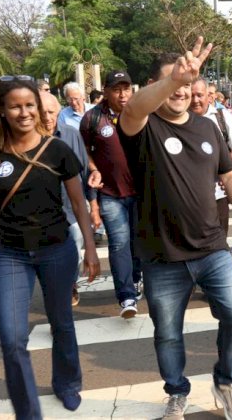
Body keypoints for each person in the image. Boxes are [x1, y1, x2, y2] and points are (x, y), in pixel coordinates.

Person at [118, 40, 232, 420]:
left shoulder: (207, 125)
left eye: (188, 81)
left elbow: (229, 176)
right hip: (161, 256)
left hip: (212, 249)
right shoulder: (142, 128)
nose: (182, 89)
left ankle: (226, 382)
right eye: (172, 82)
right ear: (155, 85)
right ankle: (177, 392)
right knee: (167, 333)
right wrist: (173, 79)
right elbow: (133, 107)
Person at [0, 77, 100, 418]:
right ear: (1, 111)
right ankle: (28, 411)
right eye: (15, 106)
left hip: (57, 250)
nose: (24, 112)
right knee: (11, 340)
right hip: (11, 255)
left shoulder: (58, 150)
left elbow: (78, 202)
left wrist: (91, 248)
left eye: (30, 105)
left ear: (38, 109)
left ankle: (67, 383)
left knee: (62, 323)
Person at [80, 70, 143, 318]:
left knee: (138, 242)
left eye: (126, 89)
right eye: (117, 89)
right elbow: (84, 150)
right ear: (106, 91)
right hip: (110, 193)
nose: (123, 94)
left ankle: (136, 276)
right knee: (119, 243)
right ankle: (126, 296)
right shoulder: (92, 118)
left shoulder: (139, 113)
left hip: (139, 193)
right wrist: (94, 169)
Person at [40, 92, 100, 307]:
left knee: (74, 248)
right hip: (40, 215)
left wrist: (93, 205)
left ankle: (70, 284)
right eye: (42, 112)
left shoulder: (71, 135)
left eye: (51, 112)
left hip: (70, 209)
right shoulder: (26, 139)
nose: (47, 117)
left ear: (59, 112)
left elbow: (84, 173)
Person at [190, 76, 232, 234]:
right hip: (187, 198)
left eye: (200, 95)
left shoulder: (221, 116)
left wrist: (223, 168)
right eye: (191, 95)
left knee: (219, 241)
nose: (195, 100)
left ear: (209, 96)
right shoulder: (177, 118)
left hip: (217, 195)